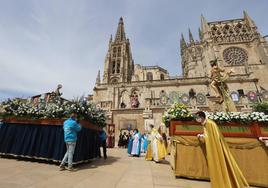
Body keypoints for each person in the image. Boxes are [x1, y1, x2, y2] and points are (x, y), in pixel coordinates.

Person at [195, 111, 249, 188]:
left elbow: (214, 137)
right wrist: (202, 136)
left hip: (216, 148)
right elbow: (209, 136)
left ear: (202, 117)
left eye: (197, 118)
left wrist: (202, 137)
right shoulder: (205, 124)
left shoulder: (210, 124)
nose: (197, 119)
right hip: (212, 146)